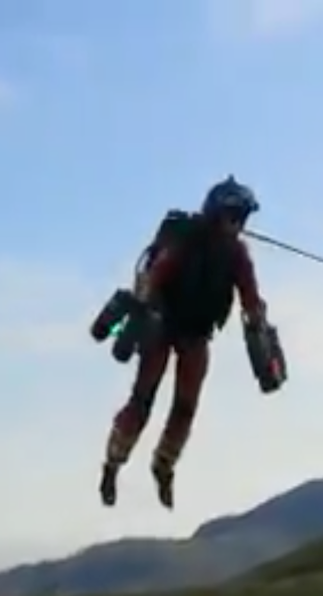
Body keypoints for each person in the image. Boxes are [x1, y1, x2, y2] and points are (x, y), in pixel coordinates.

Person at [99, 176, 268, 509]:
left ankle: (164, 465)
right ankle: (113, 465)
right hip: (162, 324)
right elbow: (155, 276)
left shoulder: (237, 254)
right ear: (216, 213)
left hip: (198, 333)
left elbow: (250, 295)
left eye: (241, 217)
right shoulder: (186, 241)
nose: (236, 223)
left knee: (186, 406)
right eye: (232, 215)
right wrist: (138, 314)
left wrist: (259, 325)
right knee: (142, 400)